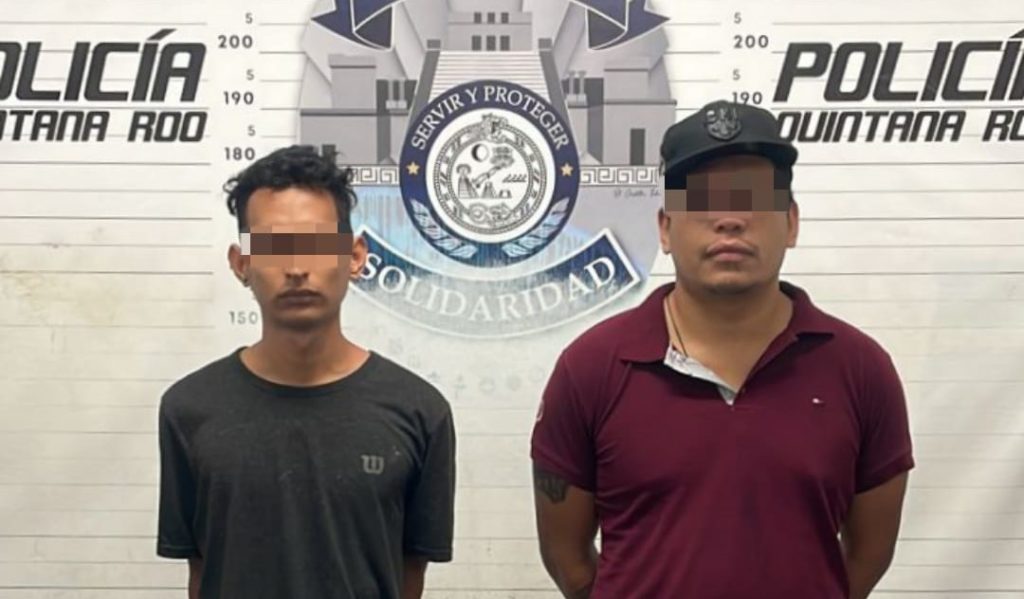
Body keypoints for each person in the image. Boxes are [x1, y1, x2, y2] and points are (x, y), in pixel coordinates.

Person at [530, 100, 914, 599]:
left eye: (753, 198)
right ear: (665, 228)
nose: (730, 219)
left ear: (791, 223)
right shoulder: (591, 368)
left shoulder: (861, 369)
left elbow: (866, 557)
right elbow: (568, 560)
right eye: (703, 201)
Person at [156, 146, 456, 599]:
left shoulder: (419, 413)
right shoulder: (189, 410)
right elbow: (201, 569)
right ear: (242, 264)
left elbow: (410, 574)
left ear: (354, 256)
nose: (296, 268)